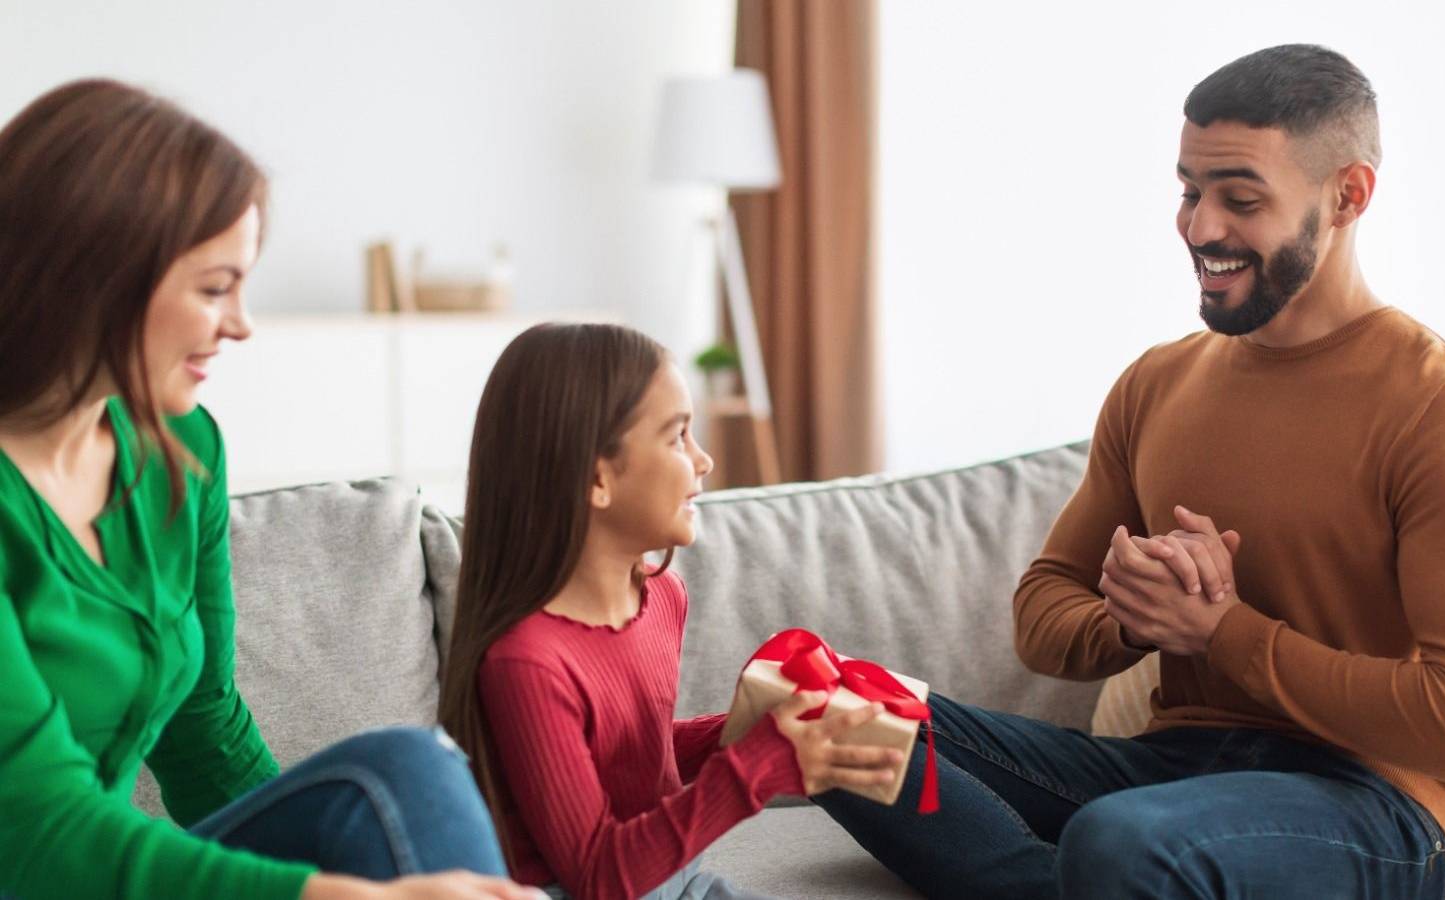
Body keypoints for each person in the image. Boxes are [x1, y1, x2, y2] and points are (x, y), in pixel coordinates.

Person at [812, 44, 1445, 899]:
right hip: (1177, 767)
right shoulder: (1158, 384)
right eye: (1190, 191)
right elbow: (1042, 613)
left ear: (1348, 195)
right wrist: (1136, 615)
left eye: (1241, 198)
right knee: (819, 704)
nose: (1201, 228)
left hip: (1371, 801)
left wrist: (1222, 630)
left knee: (1119, 842)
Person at [0, 79, 538, 900]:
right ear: (97, 272)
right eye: (216, 288)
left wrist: (355, 869)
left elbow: (202, 727)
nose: (241, 323)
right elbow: (37, 823)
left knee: (398, 776)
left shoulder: (183, 450)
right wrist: (330, 897)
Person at [437, 323, 904, 900]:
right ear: (597, 476)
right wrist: (753, 769)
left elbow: (634, 759)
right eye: (678, 436)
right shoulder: (525, 662)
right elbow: (599, 877)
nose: (703, 460)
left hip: (676, 880)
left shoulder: (662, 597)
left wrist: (750, 730)